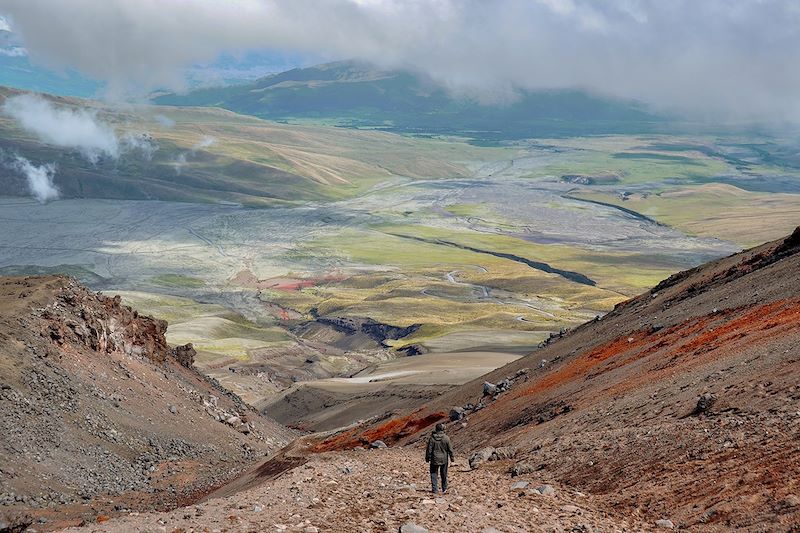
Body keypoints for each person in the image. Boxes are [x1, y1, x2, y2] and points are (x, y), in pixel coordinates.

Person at [425, 422, 454, 493]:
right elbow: (450, 449)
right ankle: (444, 489)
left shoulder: (432, 438)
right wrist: (452, 458)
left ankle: (435, 489)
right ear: (443, 429)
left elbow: (429, 449)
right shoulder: (446, 438)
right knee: (444, 474)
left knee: (433, 474)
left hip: (434, 459)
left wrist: (427, 458)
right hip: (444, 459)